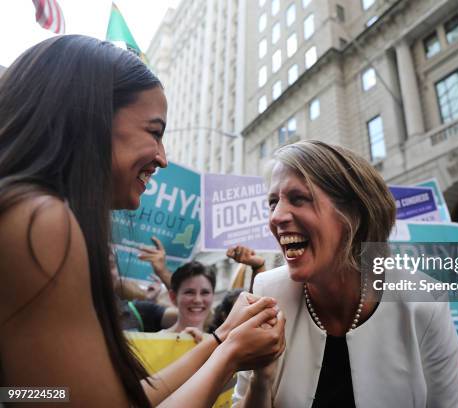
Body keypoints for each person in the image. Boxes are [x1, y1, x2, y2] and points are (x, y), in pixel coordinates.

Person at [0, 35, 285, 407]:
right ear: (91, 119)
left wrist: (221, 341)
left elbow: (100, 397)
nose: (162, 158)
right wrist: (228, 354)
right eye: (154, 132)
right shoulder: (41, 221)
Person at [233, 140, 458, 407]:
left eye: (299, 199)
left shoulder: (425, 301)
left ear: (353, 213)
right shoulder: (267, 292)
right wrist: (262, 379)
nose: (276, 217)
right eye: (273, 203)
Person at [164, 261, 216, 334]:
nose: (197, 300)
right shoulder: (151, 342)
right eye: (189, 292)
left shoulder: (221, 344)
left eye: (205, 293)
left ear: (213, 296)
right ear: (173, 297)